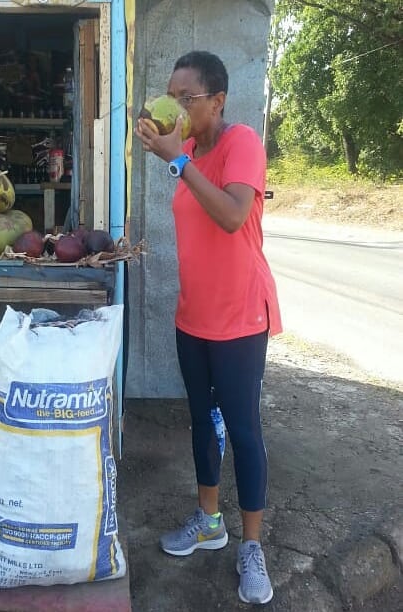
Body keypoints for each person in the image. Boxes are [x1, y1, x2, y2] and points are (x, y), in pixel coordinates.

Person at [135, 51, 282, 605]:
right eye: (170, 94)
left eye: (185, 96)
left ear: (216, 101)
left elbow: (231, 215)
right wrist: (171, 148)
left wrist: (177, 161)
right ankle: (208, 519)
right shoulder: (189, 149)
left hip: (240, 318)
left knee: (243, 429)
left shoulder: (241, 141)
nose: (175, 104)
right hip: (193, 316)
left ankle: (251, 546)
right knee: (202, 422)